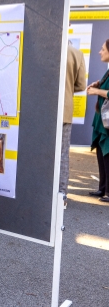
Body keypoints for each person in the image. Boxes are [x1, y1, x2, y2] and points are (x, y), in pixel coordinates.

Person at [60, 40, 86, 207]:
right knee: (62, 156)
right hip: (65, 111)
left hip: (42, 113)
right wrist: (67, 89)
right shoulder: (76, 53)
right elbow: (81, 85)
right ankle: (61, 196)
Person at [87, 39, 109, 203]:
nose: (100, 52)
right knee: (102, 155)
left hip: (107, 123)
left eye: (103, 49)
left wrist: (96, 91)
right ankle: (103, 188)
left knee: (108, 155)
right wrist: (98, 85)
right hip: (103, 121)